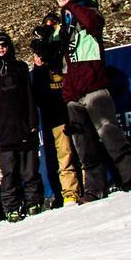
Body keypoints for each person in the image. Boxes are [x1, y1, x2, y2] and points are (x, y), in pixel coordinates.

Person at [54, 0, 131, 196]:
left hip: (94, 87)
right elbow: (61, 56)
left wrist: (72, 6)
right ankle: (95, 190)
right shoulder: (65, 23)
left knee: (110, 134)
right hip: (74, 93)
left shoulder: (90, 12)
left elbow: (92, 24)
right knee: (84, 146)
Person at [0, 31, 41, 220]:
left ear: (9, 47)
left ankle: (33, 202)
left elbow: (29, 95)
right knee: (9, 172)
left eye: (4, 45)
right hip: (4, 130)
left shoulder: (21, 68)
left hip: (24, 127)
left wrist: (33, 121)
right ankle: (11, 207)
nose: (1, 49)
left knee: (30, 169)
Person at [28, 36, 83, 206]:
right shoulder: (38, 74)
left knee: (85, 152)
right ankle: (70, 193)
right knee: (65, 158)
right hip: (56, 121)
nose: (39, 57)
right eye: (37, 55)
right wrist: (39, 68)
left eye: (41, 54)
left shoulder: (60, 64)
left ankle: (91, 187)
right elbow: (38, 96)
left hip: (74, 113)